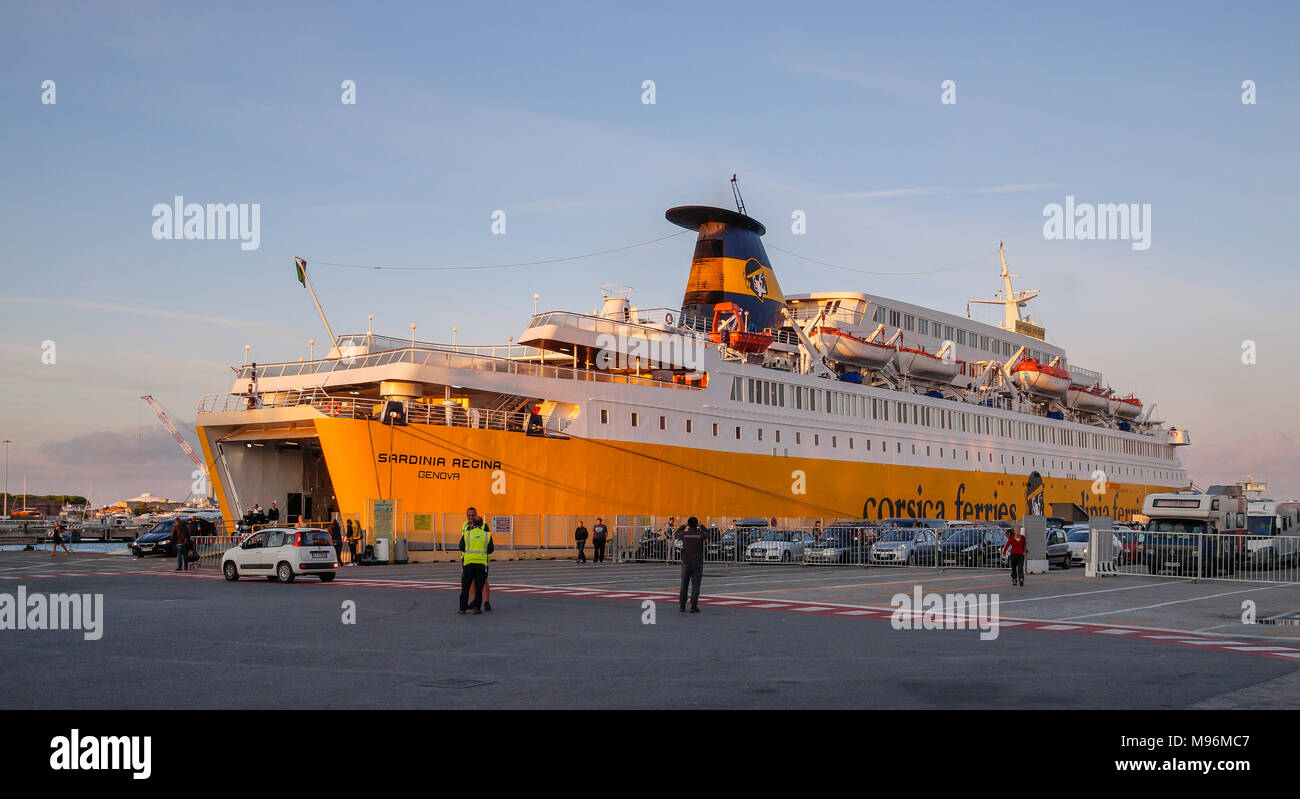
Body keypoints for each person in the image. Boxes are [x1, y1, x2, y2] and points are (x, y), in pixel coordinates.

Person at [458, 506, 493, 614]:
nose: (471, 517)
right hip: (466, 558)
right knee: (472, 581)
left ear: (476, 515)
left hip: (481, 559)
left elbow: (486, 542)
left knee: (483, 581)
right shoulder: (465, 526)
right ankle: (474, 602)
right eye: (469, 515)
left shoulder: (484, 526)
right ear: (466, 516)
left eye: (473, 515)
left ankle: (486, 601)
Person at [675, 517, 707, 613]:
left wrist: (683, 525)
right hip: (697, 562)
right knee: (696, 585)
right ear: (697, 523)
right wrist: (701, 526)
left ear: (688, 524)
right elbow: (708, 534)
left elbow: (676, 534)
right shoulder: (700, 534)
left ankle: (682, 605)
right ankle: (693, 606)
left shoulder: (684, 534)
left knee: (684, 584)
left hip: (686, 562)